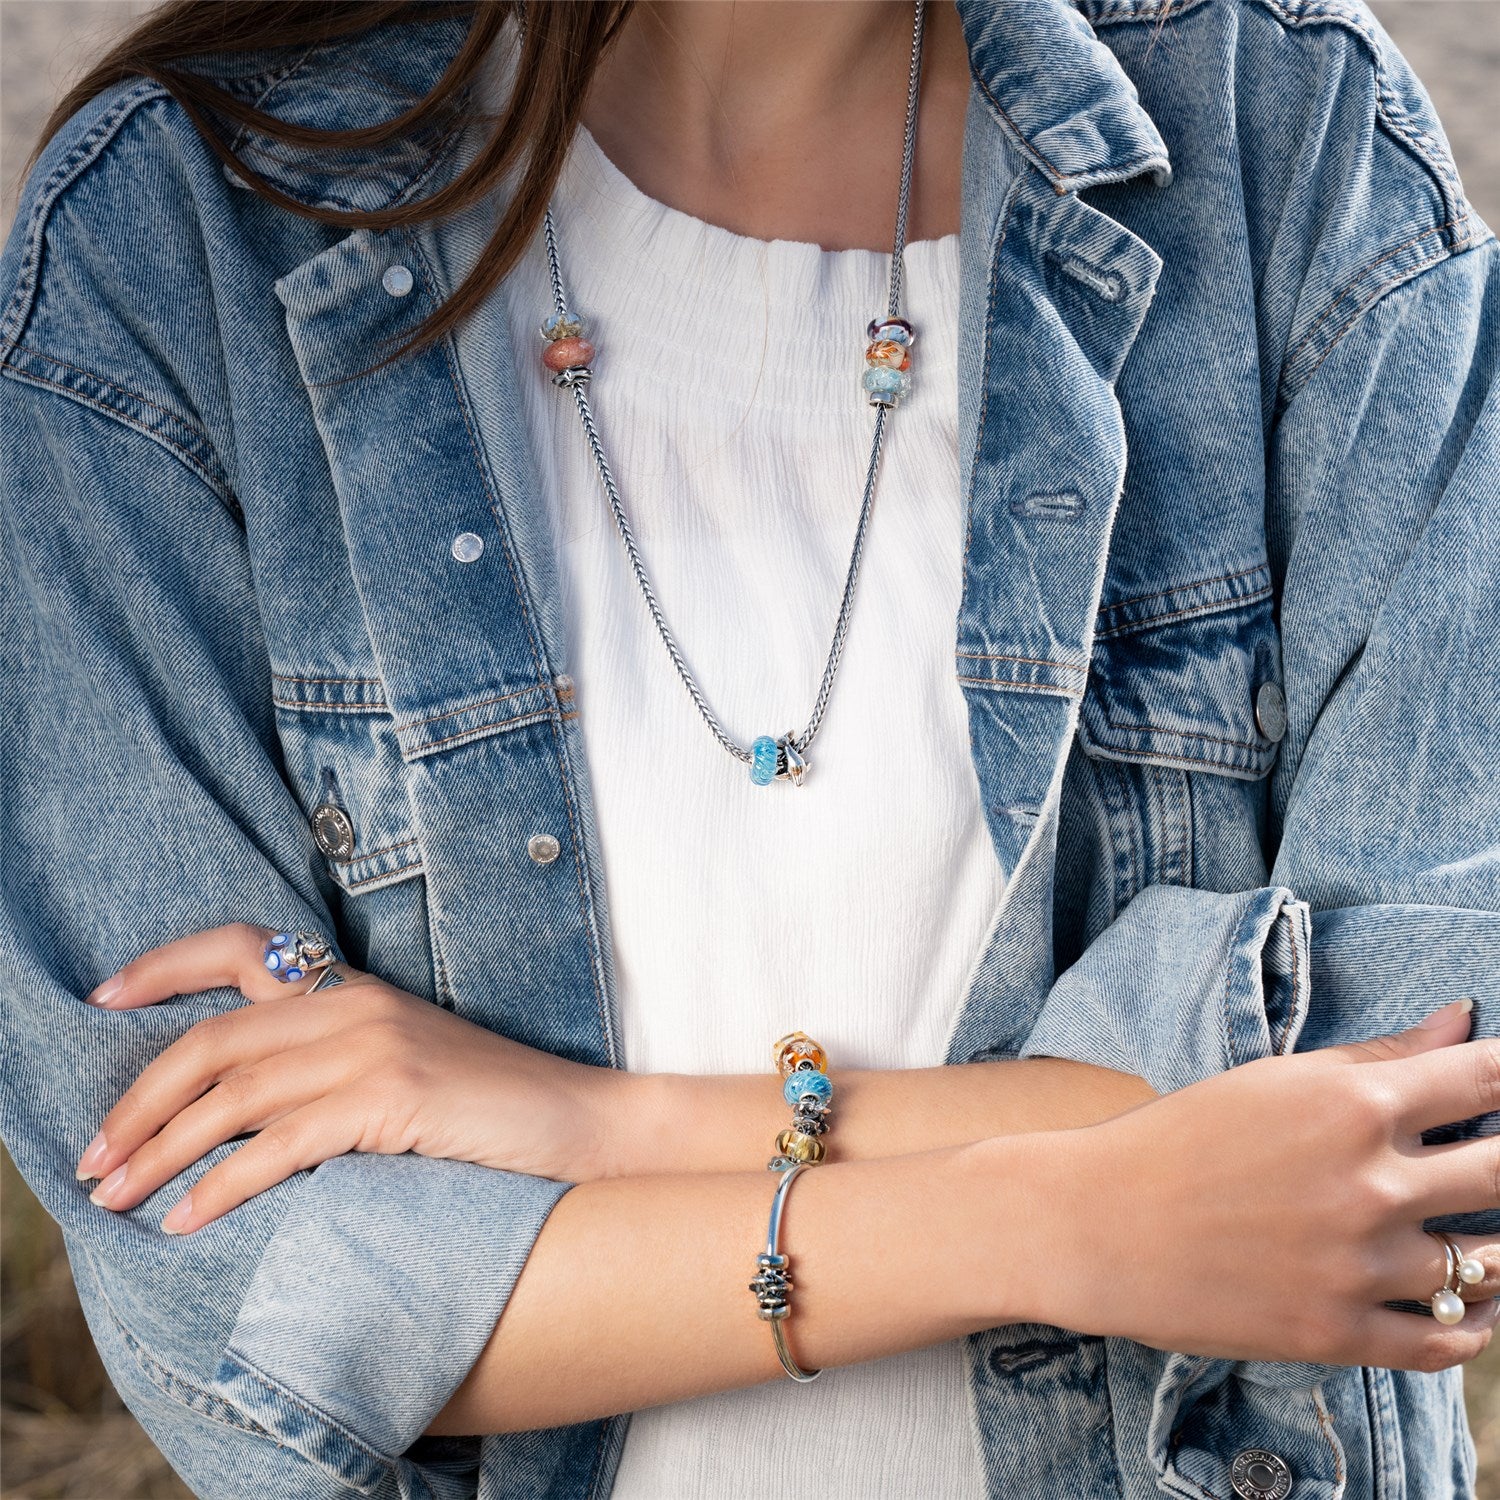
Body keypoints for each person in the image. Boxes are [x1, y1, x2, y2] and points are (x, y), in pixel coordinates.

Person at [2, 0, 1498, 1495]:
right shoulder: (177, 226)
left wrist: (595, 1126)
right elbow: (245, 1304)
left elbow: (1441, 1119)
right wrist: (1054, 1222)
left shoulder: (1283, 125)